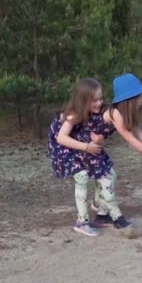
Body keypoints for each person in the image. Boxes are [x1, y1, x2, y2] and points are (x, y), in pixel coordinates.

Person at [75, 73, 142, 229]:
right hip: (85, 149)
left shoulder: (125, 114)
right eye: (139, 97)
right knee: (106, 178)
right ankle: (117, 217)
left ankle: (101, 214)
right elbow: (131, 139)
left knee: (110, 176)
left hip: (95, 150)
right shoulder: (115, 114)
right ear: (130, 100)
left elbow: (140, 134)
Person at [48, 77, 105, 237]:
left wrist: (96, 138)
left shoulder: (92, 112)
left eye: (101, 99)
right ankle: (82, 221)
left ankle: (97, 204)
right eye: (94, 100)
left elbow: (89, 129)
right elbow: (61, 138)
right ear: (83, 101)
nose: (99, 103)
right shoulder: (74, 115)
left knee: (101, 167)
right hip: (62, 148)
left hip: (76, 142)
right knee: (81, 175)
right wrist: (87, 147)